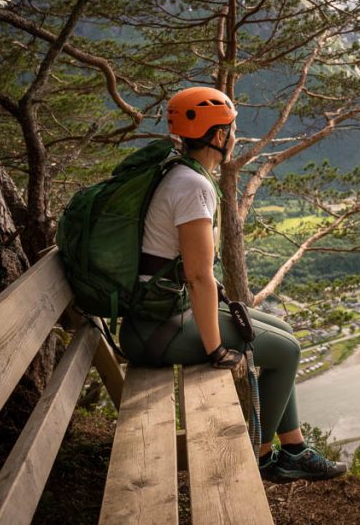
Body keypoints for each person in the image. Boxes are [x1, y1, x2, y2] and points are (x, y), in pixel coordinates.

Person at [119, 86, 346, 481]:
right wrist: (216, 349)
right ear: (218, 135)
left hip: (155, 316)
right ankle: (260, 457)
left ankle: (292, 447)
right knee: (287, 352)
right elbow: (198, 276)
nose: (235, 135)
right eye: (232, 128)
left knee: (284, 335)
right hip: (159, 328)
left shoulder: (177, 171)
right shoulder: (193, 187)